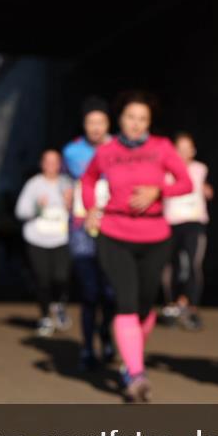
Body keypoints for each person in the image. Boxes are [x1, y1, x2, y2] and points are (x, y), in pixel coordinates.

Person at [81, 91, 192, 402]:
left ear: (149, 122)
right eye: (131, 117)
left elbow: (186, 182)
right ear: (120, 119)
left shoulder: (162, 147)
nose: (136, 124)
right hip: (114, 233)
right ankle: (136, 374)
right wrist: (91, 207)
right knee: (126, 303)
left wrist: (159, 190)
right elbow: (88, 180)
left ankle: (131, 358)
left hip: (155, 237)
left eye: (143, 119)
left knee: (145, 306)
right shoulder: (107, 151)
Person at [63, 96, 117, 370]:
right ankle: (86, 348)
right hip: (83, 226)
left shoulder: (121, 147)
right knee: (89, 292)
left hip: (114, 226)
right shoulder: (72, 151)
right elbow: (79, 178)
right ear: (83, 125)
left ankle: (106, 336)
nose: (96, 128)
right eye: (90, 123)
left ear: (108, 123)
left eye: (100, 122)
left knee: (110, 292)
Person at [15, 149, 74, 336]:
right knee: (42, 279)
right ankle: (45, 317)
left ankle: (58, 304)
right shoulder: (33, 184)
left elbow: (81, 211)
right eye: (47, 161)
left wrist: (71, 204)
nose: (51, 165)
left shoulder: (67, 183)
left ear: (60, 164)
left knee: (61, 277)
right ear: (42, 164)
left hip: (62, 239)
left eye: (55, 161)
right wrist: (36, 207)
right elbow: (20, 211)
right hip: (37, 239)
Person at [161, 131, 212, 331]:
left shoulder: (200, 169)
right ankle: (172, 305)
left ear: (193, 151)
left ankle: (190, 306)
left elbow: (203, 188)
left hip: (194, 222)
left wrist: (207, 190)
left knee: (193, 264)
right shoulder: (165, 171)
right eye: (179, 149)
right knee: (171, 266)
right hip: (171, 222)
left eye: (186, 149)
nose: (183, 153)